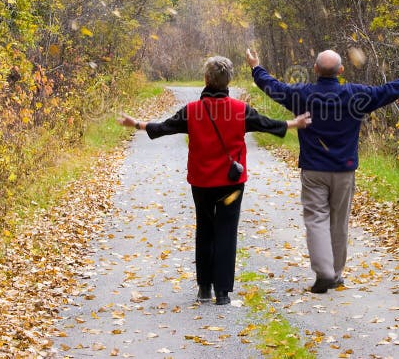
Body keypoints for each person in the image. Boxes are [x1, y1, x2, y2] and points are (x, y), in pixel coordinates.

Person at [117, 56, 311, 305]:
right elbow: (265, 124)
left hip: (201, 182)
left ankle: (204, 288)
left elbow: (165, 127)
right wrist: (292, 124)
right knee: (226, 232)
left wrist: (137, 124)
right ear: (228, 80)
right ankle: (223, 292)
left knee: (205, 230)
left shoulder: (192, 111)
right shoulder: (240, 110)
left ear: (207, 79)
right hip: (232, 184)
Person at [245, 48, 399, 293]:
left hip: (313, 170)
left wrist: (256, 67)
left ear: (315, 70)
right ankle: (335, 273)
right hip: (344, 170)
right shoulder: (356, 95)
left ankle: (325, 272)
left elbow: (272, 86)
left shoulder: (301, 94)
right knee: (339, 222)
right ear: (341, 71)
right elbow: (388, 91)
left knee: (316, 219)